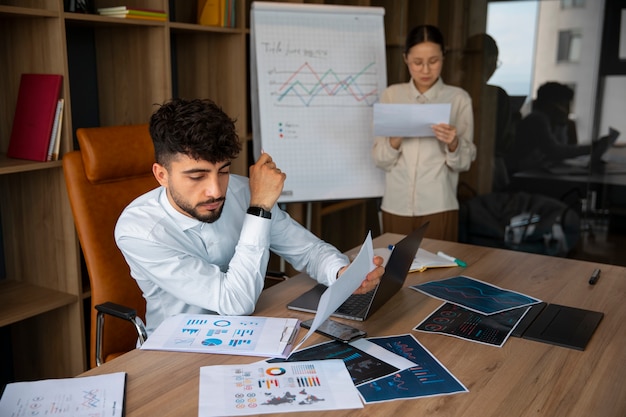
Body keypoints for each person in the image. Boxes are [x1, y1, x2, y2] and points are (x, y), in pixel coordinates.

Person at [114, 98, 384, 336]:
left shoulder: (243, 191)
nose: (216, 190)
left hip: (250, 333)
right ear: (161, 175)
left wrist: (341, 273)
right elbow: (235, 302)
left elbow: (309, 250)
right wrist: (259, 209)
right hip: (176, 350)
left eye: (223, 171)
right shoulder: (139, 230)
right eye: (197, 176)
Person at [372, 25, 476, 241]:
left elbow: (464, 164)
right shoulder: (392, 95)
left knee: (440, 272)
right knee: (393, 271)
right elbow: (380, 160)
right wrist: (396, 138)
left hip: (439, 205)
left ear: (443, 57)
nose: (426, 70)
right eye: (417, 63)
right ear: (405, 59)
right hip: (396, 204)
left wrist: (453, 143)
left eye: (433, 61)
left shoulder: (458, 99)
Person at [504, 82, 608, 176]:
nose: (566, 108)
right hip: (518, 173)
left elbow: (560, 148)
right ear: (552, 103)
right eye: (564, 104)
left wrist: (562, 124)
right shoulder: (537, 119)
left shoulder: (547, 119)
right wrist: (591, 148)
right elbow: (555, 152)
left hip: (527, 171)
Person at [460, 33, 516, 192]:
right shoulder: (496, 96)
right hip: (488, 171)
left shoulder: (449, 92)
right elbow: (504, 142)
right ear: (490, 62)